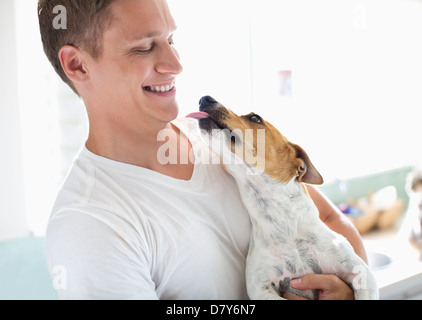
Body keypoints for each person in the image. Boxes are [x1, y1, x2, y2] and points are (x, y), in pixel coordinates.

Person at [38, 0, 367, 300]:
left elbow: (326, 218)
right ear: (78, 65)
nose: (175, 64)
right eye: (143, 47)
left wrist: (352, 292)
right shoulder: (88, 226)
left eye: (171, 40)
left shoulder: (220, 136)